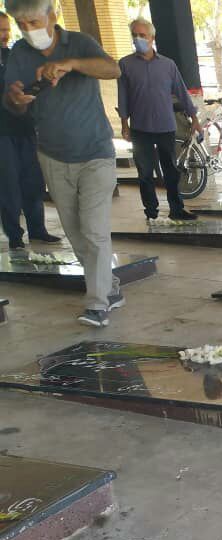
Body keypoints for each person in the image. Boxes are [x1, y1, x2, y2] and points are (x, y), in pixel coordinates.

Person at [3, 0, 122, 328]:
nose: (28, 30)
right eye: (21, 24)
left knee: (94, 230)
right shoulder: (20, 53)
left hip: (96, 153)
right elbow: (14, 105)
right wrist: (16, 99)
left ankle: (97, 304)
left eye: (33, 22)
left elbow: (113, 69)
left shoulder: (80, 43)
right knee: (76, 233)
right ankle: (110, 286)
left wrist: (71, 64)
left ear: (52, 15)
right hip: (52, 155)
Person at [117, 17, 202, 223]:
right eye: (134, 35)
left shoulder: (168, 65)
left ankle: (176, 209)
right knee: (145, 172)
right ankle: (151, 211)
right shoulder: (125, 64)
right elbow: (123, 97)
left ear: (152, 38)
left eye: (142, 35)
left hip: (165, 126)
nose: (138, 39)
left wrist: (194, 119)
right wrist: (124, 125)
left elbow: (181, 92)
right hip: (140, 128)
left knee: (171, 170)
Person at [0, 10, 59, 249]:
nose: (5, 35)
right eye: (0, 31)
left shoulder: (15, 55)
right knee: (9, 185)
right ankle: (15, 235)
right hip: (2, 133)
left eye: (7, 30)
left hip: (25, 128)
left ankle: (38, 229)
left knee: (33, 181)